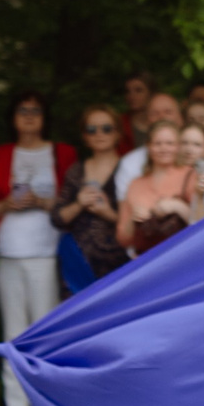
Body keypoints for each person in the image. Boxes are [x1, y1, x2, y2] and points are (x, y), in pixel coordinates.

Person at [0, 92, 75, 406]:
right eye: (23, 110)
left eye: (36, 110)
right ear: (13, 117)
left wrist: (40, 201)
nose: (30, 115)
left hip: (46, 251)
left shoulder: (62, 153)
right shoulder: (1, 154)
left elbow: (72, 202)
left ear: (45, 117)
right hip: (9, 249)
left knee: (44, 334)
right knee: (13, 333)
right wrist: (7, 204)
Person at [53, 106, 129, 292]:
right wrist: (79, 204)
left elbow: (139, 224)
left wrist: (108, 213)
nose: (99, 134)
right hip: (76, 264)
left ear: (118, 133)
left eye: (106, 128)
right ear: (85, 136)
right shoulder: (75, 171)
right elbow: (57, 218)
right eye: (91, 129)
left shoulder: (129, 170)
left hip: (118, 266)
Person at [117, 121, 204, 255]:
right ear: (148, 146)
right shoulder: (135, 184)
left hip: (181, 256)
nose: (164, 148)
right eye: (157, 144)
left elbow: (202, 224)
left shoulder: (190, 175)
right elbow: (123, 239)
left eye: (170, 143)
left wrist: (178, 207)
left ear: (178, 146)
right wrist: (132, 219)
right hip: (145, 259)